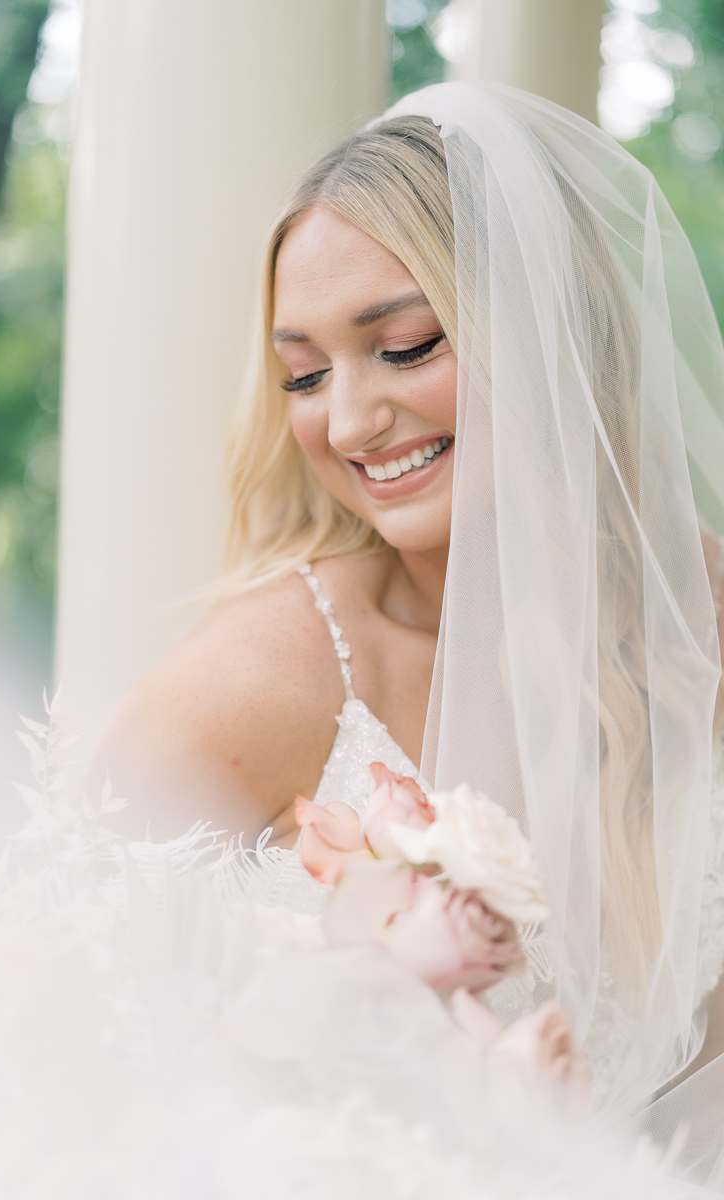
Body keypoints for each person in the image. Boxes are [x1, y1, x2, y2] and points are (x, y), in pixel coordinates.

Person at [96, 82, 724, 1170]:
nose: (344, 421)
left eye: (404, 347)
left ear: (551, 335)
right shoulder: (262, 682)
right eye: (302, 373)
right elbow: (42, 1033)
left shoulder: (697, 629)